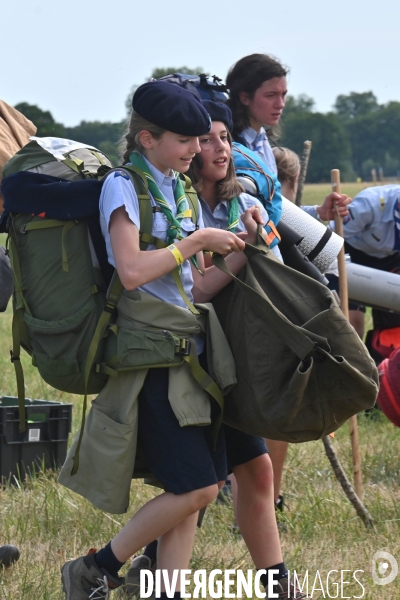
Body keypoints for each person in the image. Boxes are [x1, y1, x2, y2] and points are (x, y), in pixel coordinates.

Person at [59, 81, 291, 600]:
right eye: (185, 140)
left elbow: (200, 286)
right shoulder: (123, 186)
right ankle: (95, 567)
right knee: (198, 488)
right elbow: (134, 270)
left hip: (194, 353)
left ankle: (166, 592)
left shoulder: (177, 186)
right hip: (153, 357)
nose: (197, 149)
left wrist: (242, 248)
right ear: (146, 138)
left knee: (189, 490)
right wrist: (196, 241)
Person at [123, 101, 305, 600]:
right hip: (197, 357)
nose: (219, 148)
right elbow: (192, 287)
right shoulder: (178, 202)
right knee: (196, 487)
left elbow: (262, 255)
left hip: (231, 355)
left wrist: (250, 240)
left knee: (252, 470)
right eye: (205, 139)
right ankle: (133, 569)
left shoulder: (234, 199)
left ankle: (275, 585)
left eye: (224, 138)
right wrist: (217, 244)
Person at [339, 184, 400, 350]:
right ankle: (355, 368)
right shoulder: (368, 204)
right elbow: (334, 238)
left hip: (394, 260)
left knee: (393, 327)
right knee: (352, 325)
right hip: (354, 255)